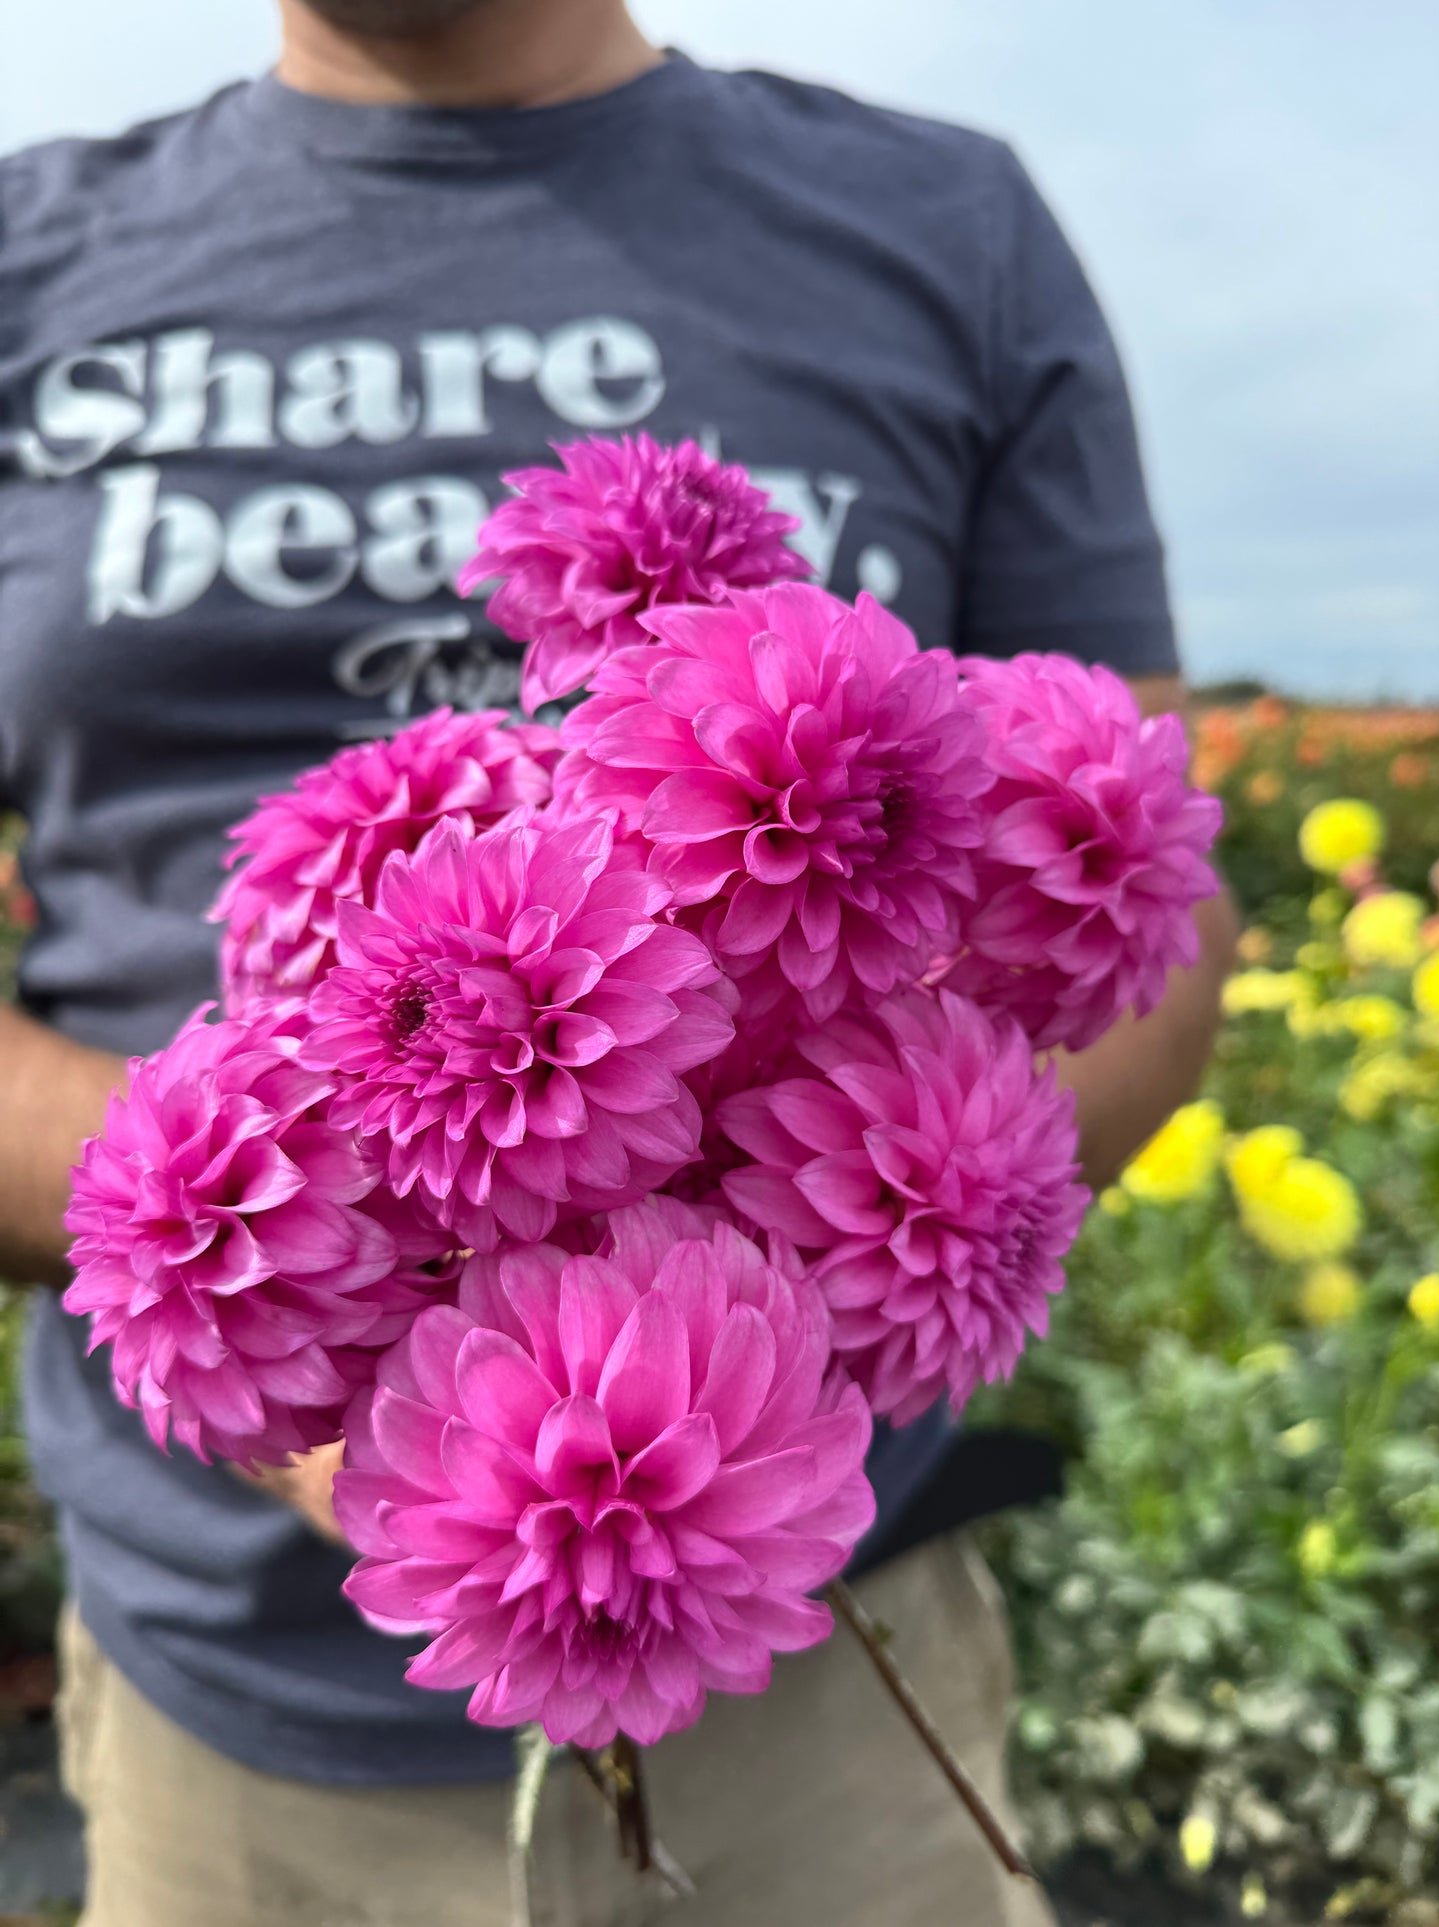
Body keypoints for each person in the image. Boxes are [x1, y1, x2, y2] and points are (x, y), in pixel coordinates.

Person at [0, 3, 1238, 1921]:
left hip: (818, 1680)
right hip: (229, 1735)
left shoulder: (942, 220)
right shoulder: (28, 254)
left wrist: (840, 1272)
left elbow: (1147, 871)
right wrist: (298, 1293)